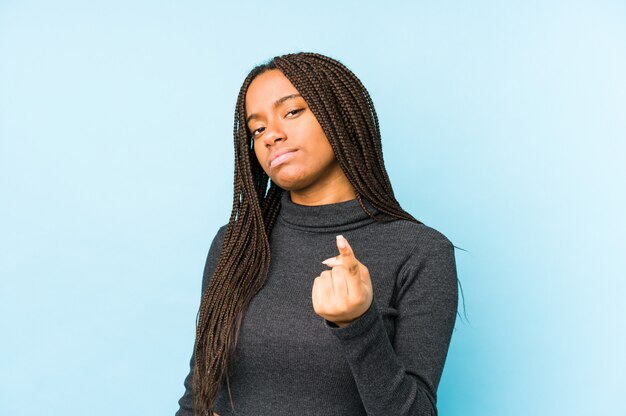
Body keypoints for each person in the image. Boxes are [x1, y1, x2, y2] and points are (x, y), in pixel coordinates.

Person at [175, 52, 458, 416]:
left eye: (292, 112)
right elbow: (197, 394)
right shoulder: (237, 244)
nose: (271, 135)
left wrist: (357, 323)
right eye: (257, 128)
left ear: (338, 114)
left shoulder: (420, 252)